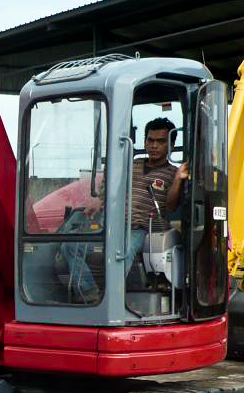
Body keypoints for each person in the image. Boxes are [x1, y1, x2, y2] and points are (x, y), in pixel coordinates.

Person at [65, 117, 189, 303]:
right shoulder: (134, 163)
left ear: (171, 144)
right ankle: (90, 293)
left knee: (122, 251)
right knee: (69, 245)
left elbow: (171, 206)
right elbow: (111, 178)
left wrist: (179, 179)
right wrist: (100, 200)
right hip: (113, 224)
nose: (154, 145)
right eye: (150, 140)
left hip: (141, 229)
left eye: (161, 141)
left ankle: (109, 299)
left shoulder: (173, 172)